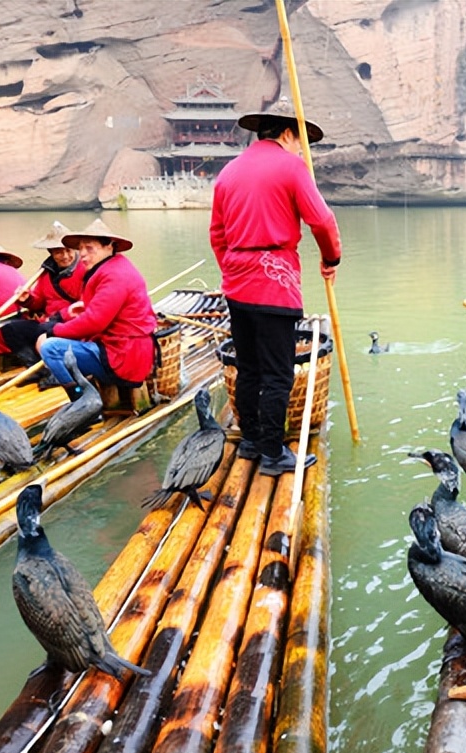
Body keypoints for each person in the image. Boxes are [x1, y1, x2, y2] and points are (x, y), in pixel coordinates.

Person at [210, 97, 342, 476]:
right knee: (278, 374)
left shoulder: (229, 172)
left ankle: (251, 441)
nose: (301, 149)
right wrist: (331, 258)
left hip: (237, 285)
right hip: (274, 285)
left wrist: (232, 270)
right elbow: (322, 221)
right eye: (300, 140)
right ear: (286, 133)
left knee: (249, 368)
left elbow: (217, 234)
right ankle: (273, 453)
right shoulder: (292, 167)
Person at [35, 219, 156, 401]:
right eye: (81, 248)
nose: (82, 254)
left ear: (109, 246)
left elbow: (94, 322)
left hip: (124, 356)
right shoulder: (111, 267)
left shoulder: (115, 275)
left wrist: (54, 330)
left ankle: (80, 399)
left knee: (50, 348)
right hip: (122, 349)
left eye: (89, 248)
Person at [0, 221, 85, 374]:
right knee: (10, 329)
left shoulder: (84, 269)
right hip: (48, 322)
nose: (65, 256)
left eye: (68, 250)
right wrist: (27, 299)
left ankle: (59, 369)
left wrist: (57, 318)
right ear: (51, 252)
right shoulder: (46, 273)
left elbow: (86, 305)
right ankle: (37, 370)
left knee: (47, 333)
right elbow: (39, 302)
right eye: (58, 252)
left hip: (72, 322)